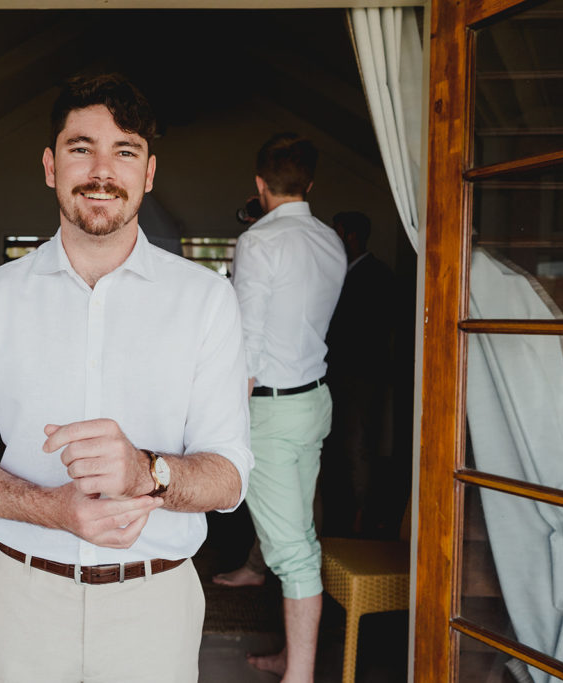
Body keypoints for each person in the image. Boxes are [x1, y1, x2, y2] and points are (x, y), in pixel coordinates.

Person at [0, 73, 253, 682]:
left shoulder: (206, 299)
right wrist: (51, 508)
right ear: (51, 165)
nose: (103, 170)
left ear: (148, 173)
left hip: (154, 608)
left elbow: (229, 478)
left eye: (125, 150)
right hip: (21, 602)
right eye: (82, 148)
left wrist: (144, 473)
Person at [230, 132, 346, 682]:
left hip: (273, 410)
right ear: (310, 184)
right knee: (298, 529)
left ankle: (298, 676)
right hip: (315, 401)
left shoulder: (260, 241)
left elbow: (247, 343)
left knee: (294, 550)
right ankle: (288, 649)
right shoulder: (331, 241)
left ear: (259, 185)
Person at [322, 211, 397, 538]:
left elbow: (378, 331)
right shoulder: (337, 273)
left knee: (358, 447)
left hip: (362, 377)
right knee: (337, 447)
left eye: (338, 234)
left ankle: (362, 522)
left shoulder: (378, 275)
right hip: (334, 376)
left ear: (352, 236)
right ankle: (339, 519)